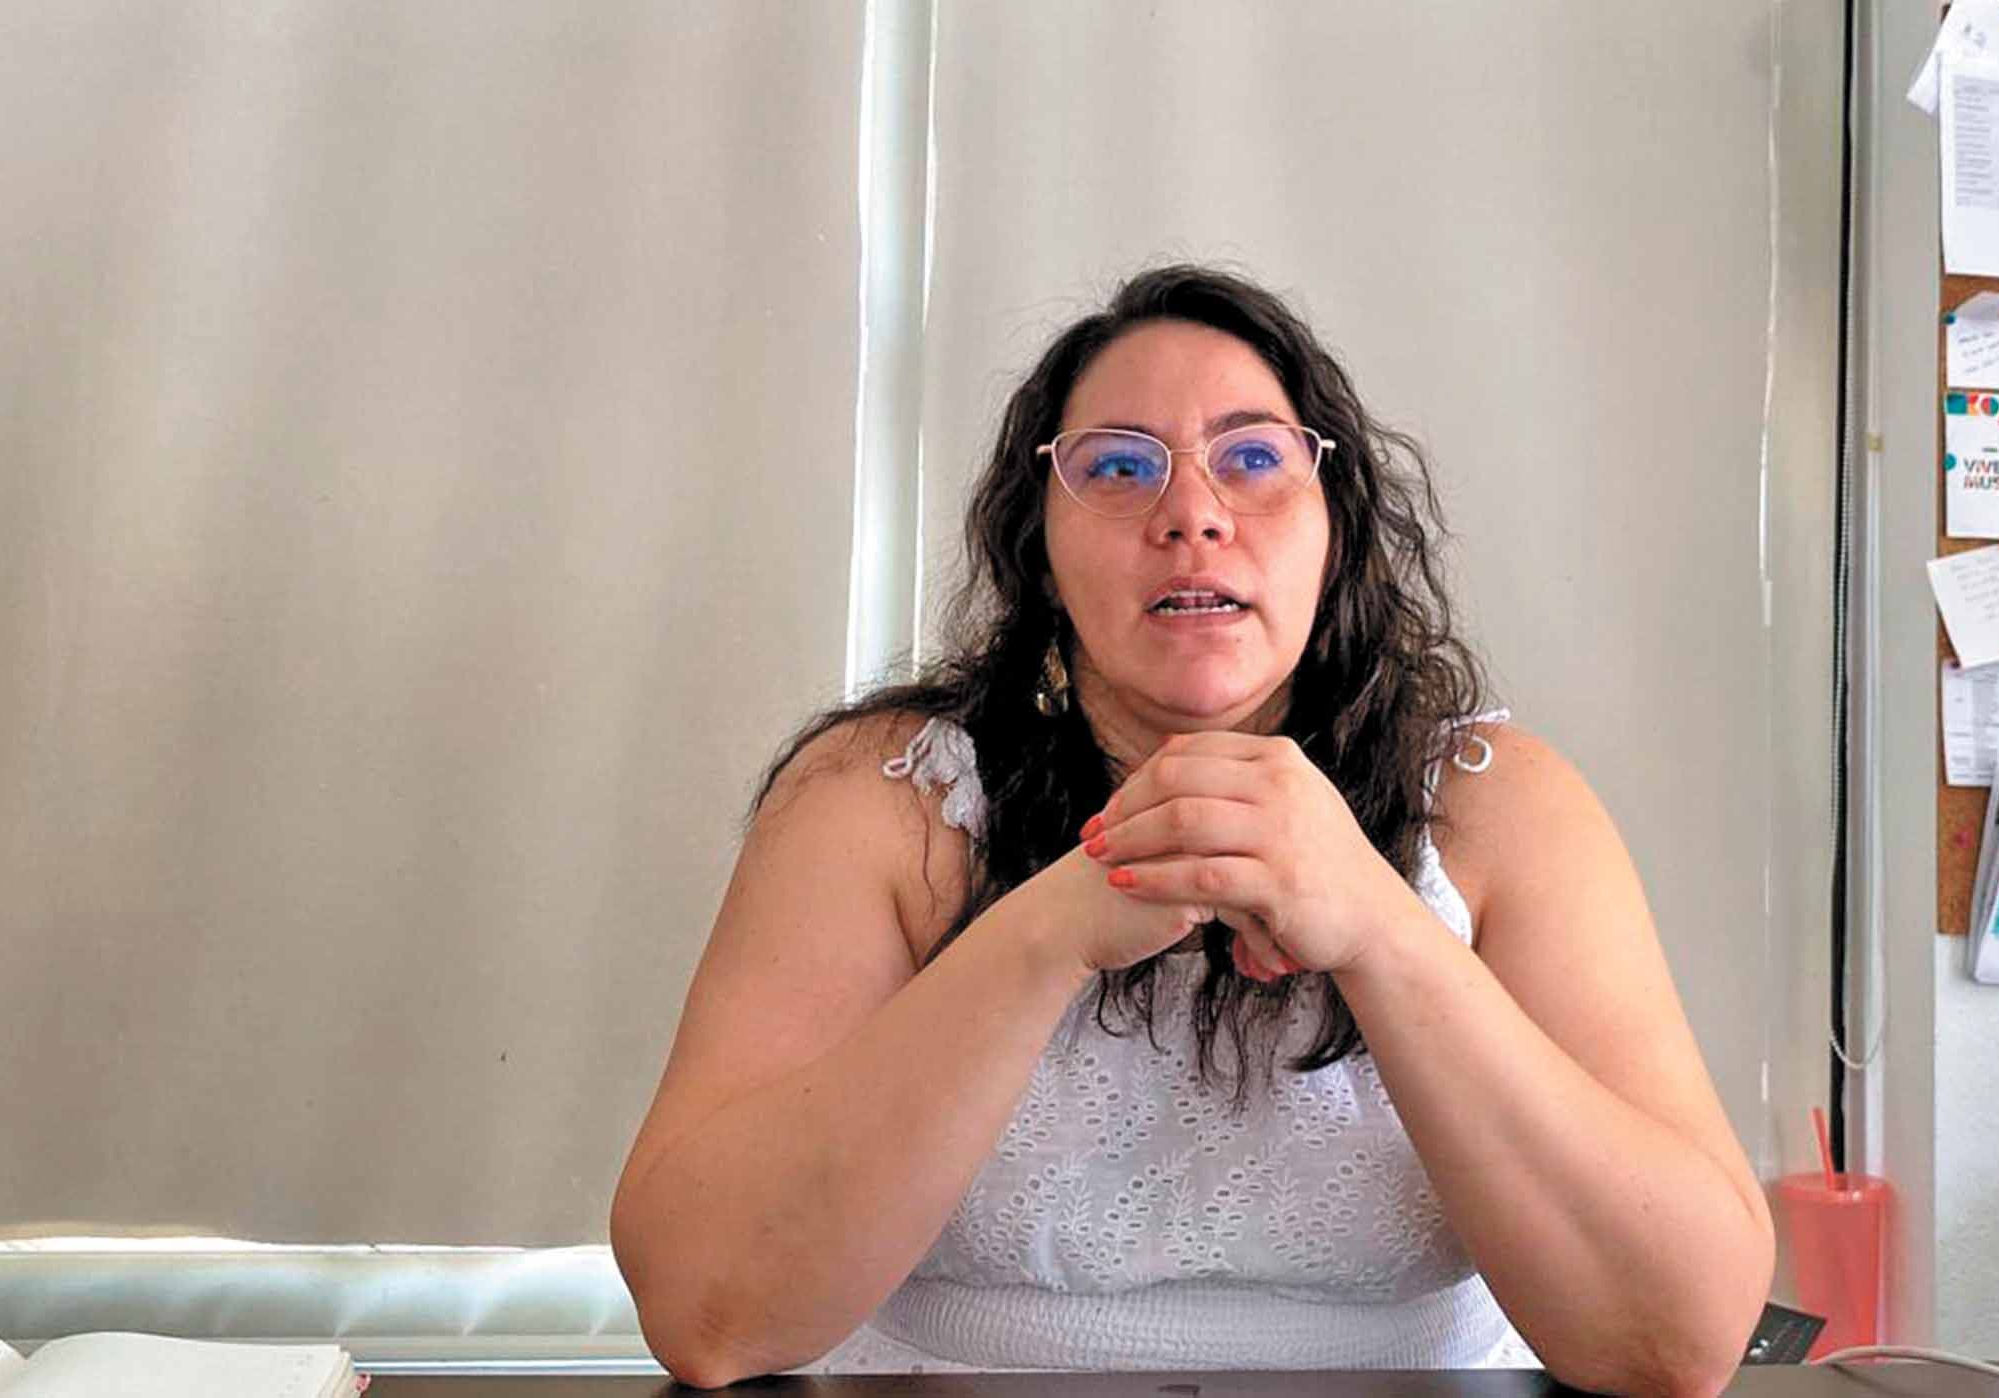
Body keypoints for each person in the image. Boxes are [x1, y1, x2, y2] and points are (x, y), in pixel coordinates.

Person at [609, 265, 1773, 1396]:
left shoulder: (1495, 802)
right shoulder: (881, 799)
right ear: (1039, 548)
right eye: (1118, 467)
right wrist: (1049, 929)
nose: (1193, 516)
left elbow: (1676, 1341)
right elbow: (709, 1315)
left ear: (1336, 525)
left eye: (1253, 459)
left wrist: (1378, 926)